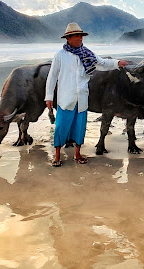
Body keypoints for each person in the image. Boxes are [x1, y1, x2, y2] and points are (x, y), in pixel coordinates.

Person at [45, 22, 128, 167]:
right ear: (68, 38)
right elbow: (52, 76)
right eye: (76, 36)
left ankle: (77, 153)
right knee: (61, 127)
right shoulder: (60, 55)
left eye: (81, 36)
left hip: (82, 98)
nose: (79, 39)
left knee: (79, 126)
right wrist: (49, 97)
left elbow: (101, 63)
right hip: (66, 98)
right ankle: (57, 154)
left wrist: (117, 63)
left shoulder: (87, 54)